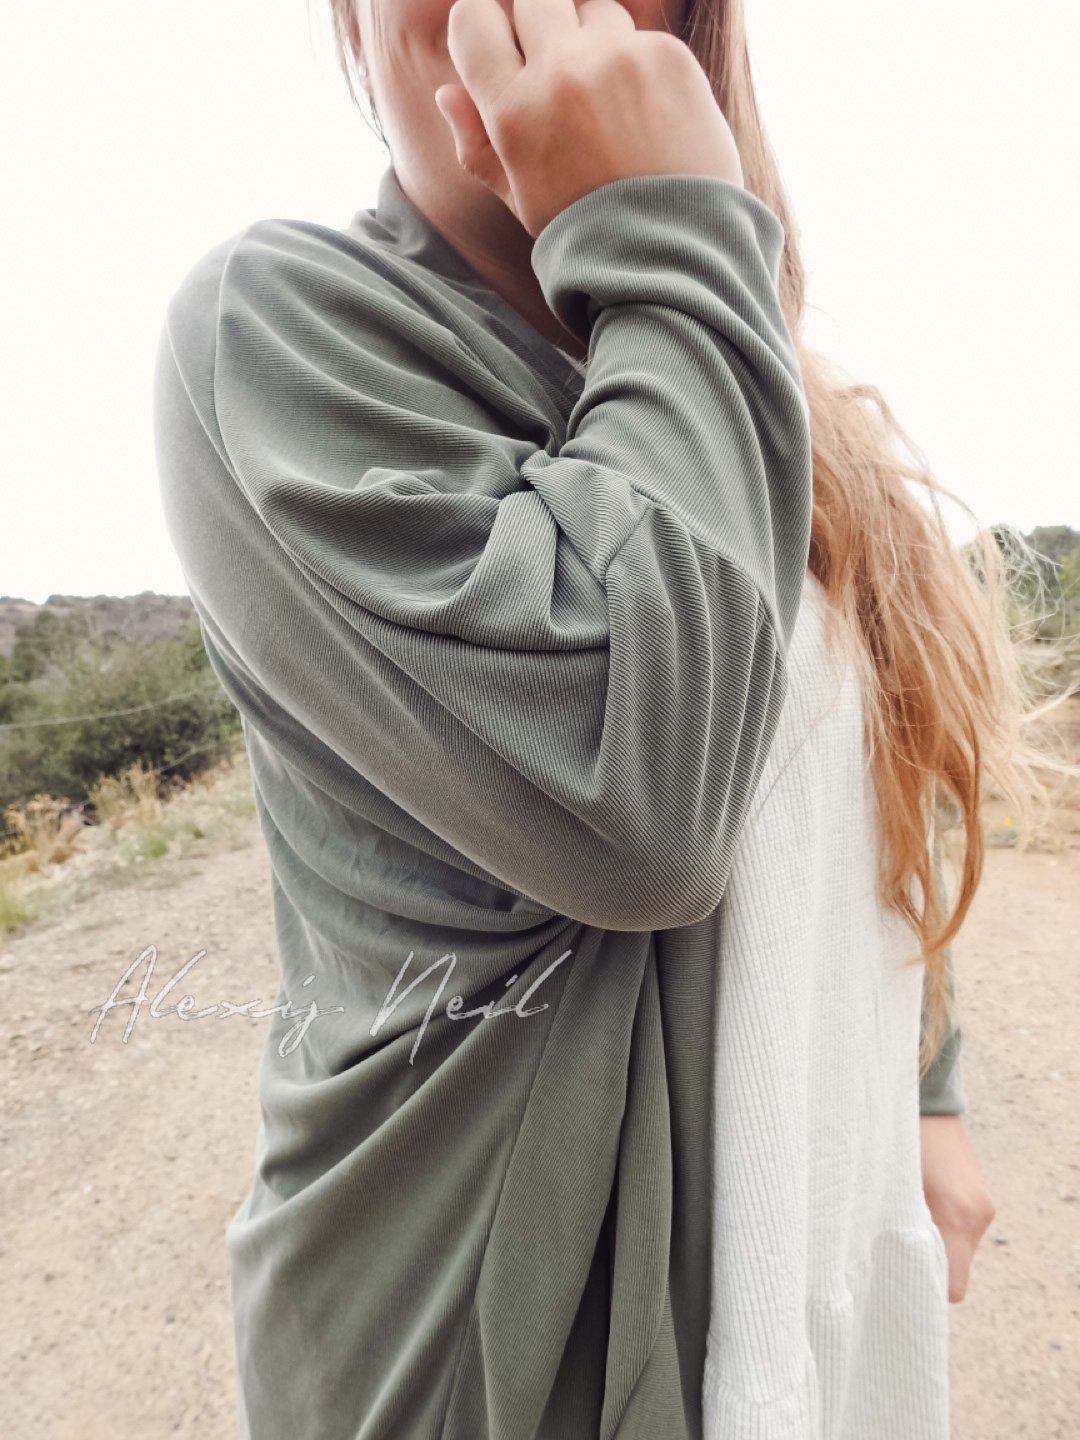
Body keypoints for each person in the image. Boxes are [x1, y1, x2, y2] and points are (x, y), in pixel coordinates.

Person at [153, 0, 1067, 1434]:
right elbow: (642, 804)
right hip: (478, 1354)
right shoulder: (280, 327)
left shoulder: (771, 393)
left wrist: (926, 1087)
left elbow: (868, 778)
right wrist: (670, 228)